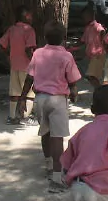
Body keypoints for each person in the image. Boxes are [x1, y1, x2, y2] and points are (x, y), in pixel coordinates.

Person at [18, 24, 83, 192]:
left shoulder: (38, 53)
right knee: (57, 138)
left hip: (40, 98)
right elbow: (72, 80)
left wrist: (22, 98)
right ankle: (56, 176)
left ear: (45, 38)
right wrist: (74, 92)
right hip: (58, 99)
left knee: (45, 132)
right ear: (64, 39)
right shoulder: (66, 56)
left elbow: (29, 78)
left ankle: (48, 165)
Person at [0, 6, 38, 125]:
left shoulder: (12, 29)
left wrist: (8, 56)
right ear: (26, 16)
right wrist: (35, 61)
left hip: (14, 65)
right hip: (27, 66)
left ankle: (12, 117)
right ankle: (26, 117)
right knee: (30, 93)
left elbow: (0, 45)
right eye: (31, 15)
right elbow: (28, 49)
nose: (32, 17)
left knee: (14, 92)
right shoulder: (29, 30)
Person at [81, 6, 108, 93]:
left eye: (85, 17)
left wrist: (104, 44)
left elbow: (102, 32)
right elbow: (83, 40)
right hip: (91, 56)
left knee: (91, 75)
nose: (83, 19)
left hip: (98, 55)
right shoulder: (87, 28)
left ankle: (100, 91)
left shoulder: (97, 26)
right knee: (90, 75)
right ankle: (99, 90)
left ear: (91, 16)